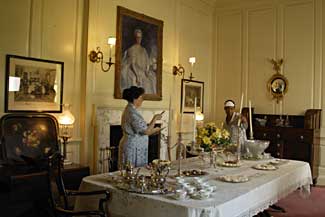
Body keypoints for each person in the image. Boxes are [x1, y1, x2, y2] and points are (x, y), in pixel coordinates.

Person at [118, 86, 162, 168]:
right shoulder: (132, 113)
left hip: (135, 146)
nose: (142, 100)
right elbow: (146, 131)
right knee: (131, 173)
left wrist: (154, 129)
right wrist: (155, 118)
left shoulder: (131, 110)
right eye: (141, 97)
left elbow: (144, 130)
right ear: (135, 99)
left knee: (133, 173)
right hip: (133, 148)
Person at [121, 29, 156, 94]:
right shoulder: (132, 49)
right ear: (135, 38)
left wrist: (147, 71)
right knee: (137, 80)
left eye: (140, 37)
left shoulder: (144, 50)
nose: (138, 39)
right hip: (136, 70)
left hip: (143, 71)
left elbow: (147, 63)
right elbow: (132, 64)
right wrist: (137, 75)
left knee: (152, 79)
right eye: (137, 37)